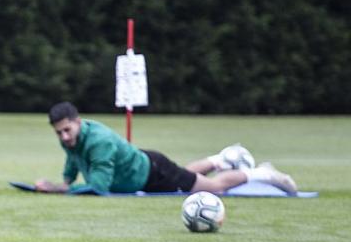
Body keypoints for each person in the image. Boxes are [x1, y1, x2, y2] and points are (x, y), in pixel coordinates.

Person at [35, 101, 298, 195]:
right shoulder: (74, 138)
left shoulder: (99, 142)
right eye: (59, 133)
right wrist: (65, 180)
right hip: (150, 169)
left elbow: (100, 186)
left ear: (78, 122)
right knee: (186, 176)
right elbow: (72, 160)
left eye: (67, 130)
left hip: (153, 175)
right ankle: (222, 159)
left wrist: (60, 189)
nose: (64, 137)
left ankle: (263, 174)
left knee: (213, 187)